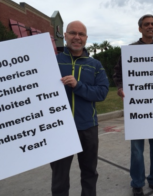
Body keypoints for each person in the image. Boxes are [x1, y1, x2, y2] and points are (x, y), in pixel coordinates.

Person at [50, 20, 109, 196]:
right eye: (73, 33)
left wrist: (78, 85)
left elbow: (102, 92)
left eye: (81, 34)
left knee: (90, 173)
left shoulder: (95, 65)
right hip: (60, 128)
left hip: (88, 128)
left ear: (86, 38)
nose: (77, 37)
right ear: (65, 36)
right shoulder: (52, 62)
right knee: (59, 177)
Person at [113, 14, 153, 196]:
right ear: (140, 28)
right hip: (137, 108)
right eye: (146, 24)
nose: (150, 26)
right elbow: (117, 74)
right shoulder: (130, 51)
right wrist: (120, 88)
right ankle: (137, 183)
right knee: (137, 150)